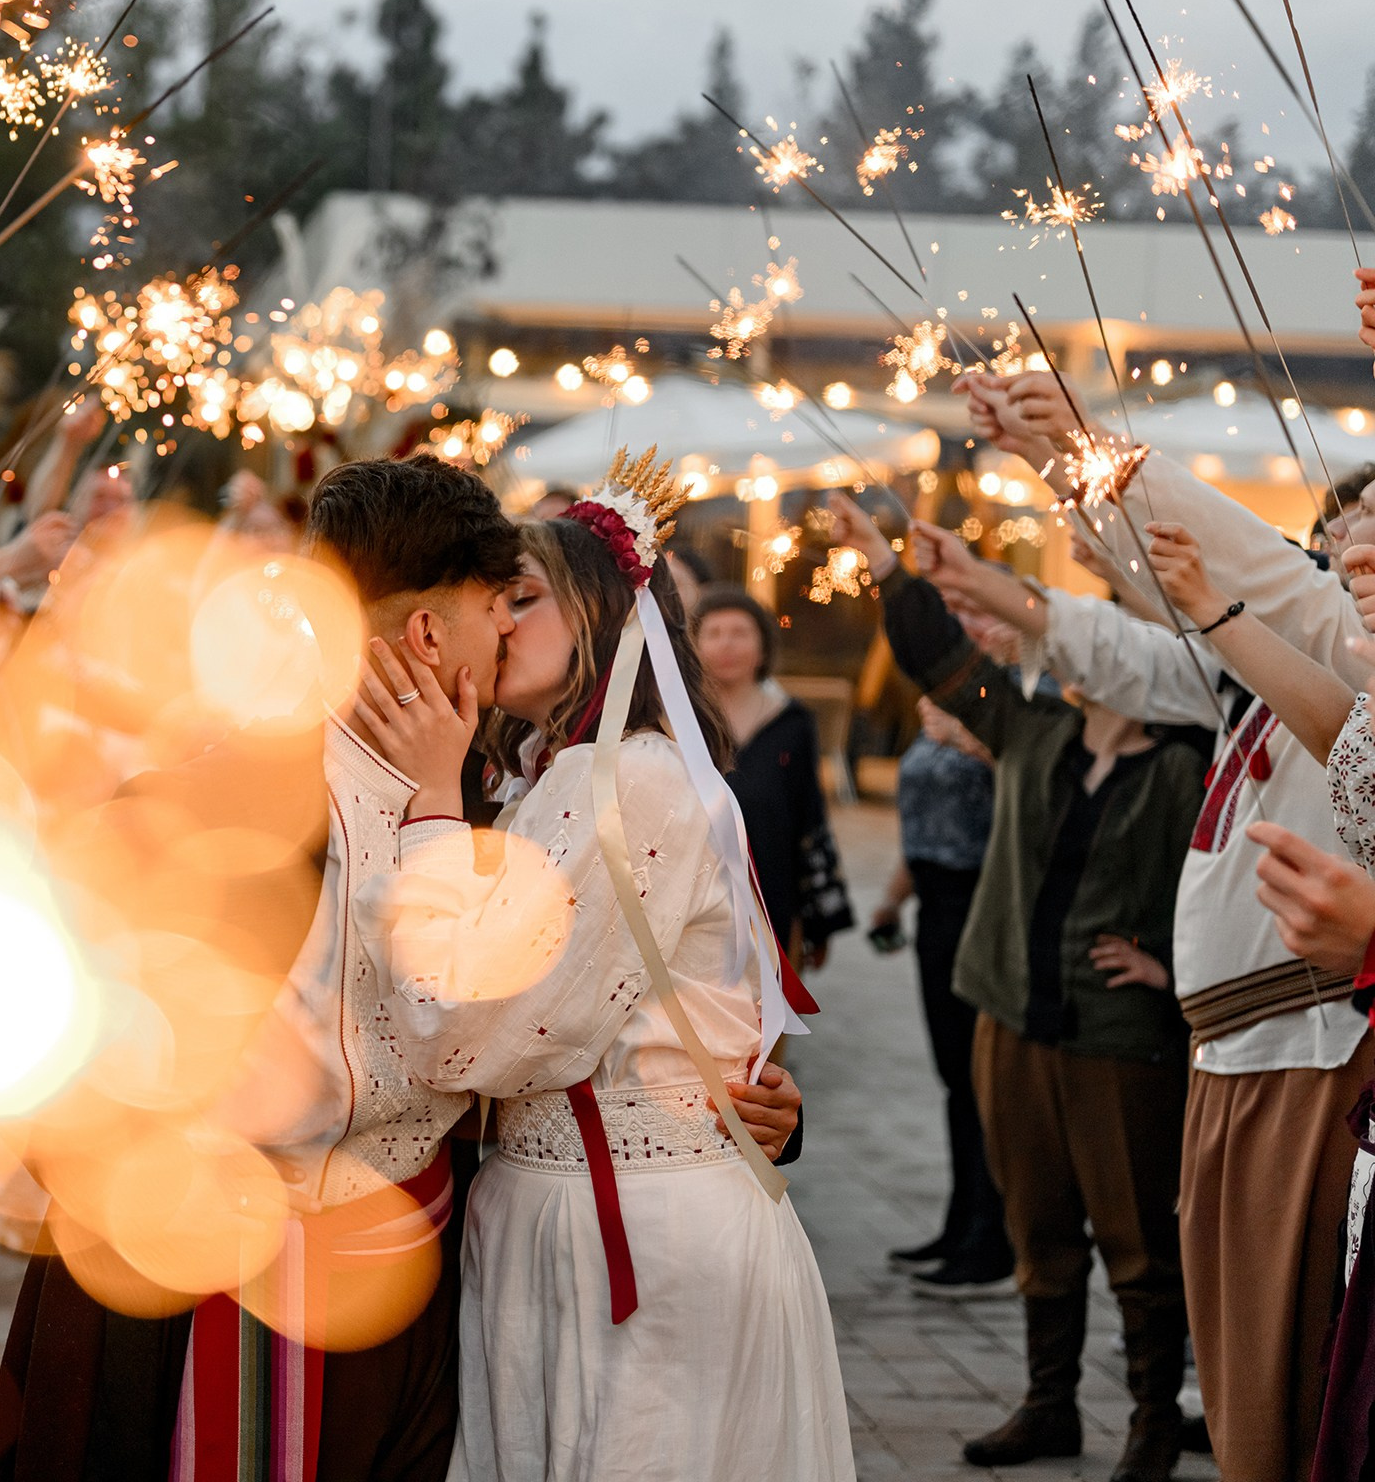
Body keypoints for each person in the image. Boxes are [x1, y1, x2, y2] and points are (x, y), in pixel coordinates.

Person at [0, 455, 803, 1482]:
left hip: (433, 1299)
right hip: (219, 1303)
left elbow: (572, 1012)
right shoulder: (199, 813)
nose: (512, 631)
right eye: (498, 606)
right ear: (425, 635)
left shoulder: (498, 806)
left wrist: (724, 1097)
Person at [344, 464, 841, 1481]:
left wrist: (434, 803)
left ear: (606, 620)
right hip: (555, 1210)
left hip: (638, 1232)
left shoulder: (628, 786)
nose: (500, 621)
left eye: (523, 598)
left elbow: (467, 1029)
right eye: (492, 598)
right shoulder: (546, 775)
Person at [955, 359, 1375, 1480]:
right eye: (1343, 543)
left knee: (1294, 1380)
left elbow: (1252, 590)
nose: (1351, 563)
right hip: (1237, 1051)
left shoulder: (1328, 648)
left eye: (1369, 545)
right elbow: (1172, 620)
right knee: (1248, 1378)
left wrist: (1090, 447)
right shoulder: (1281, 666)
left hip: (1315, 1047)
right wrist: (1059, 464)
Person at [830, 487, 1204, 1482]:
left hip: (1119, 1033)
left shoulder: (1186, 766)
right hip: (1012, 1013)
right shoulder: (1036, 730)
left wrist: (1171, 970)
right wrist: (883, 559)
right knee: (1037, 1224)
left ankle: (1154, 1421)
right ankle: (1049, 1405)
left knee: (1136, 1242)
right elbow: (937, 660)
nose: (1075, 658)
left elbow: (1228, 884)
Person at [869, 695, 1014, 1297]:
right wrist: (892, 898)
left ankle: (995, 1242)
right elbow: (924, 823)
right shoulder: (933, 704)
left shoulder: (1009, 701)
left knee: (985, 1079)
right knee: (956, 1077)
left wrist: (976, 743)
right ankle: (961, 1225)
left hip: (985, 901)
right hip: (934, 903)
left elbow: (1035, 798)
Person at [690, 585, 854, 966]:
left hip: (773, 899)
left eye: (740, 633)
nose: (726, 645)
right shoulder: (679, 722)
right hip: (697, 901)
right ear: (693, 647)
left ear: (763, 647)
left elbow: (809, 816)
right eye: (713, 633)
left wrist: (818, 920)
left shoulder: (792, 722)